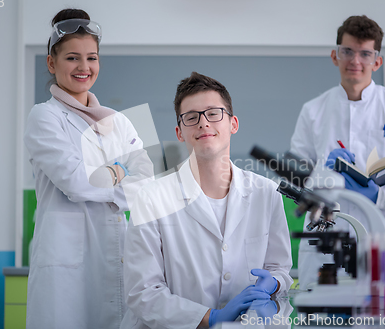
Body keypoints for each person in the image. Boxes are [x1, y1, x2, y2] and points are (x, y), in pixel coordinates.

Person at [121, 72, 293, 328]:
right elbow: (142, 293)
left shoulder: (266, 193)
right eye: (191, 117)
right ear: (180, 132)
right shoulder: (151, 199)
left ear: (233, 124)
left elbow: (280, 269)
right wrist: (209, 317)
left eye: (213, 113)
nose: (203, 123)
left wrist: (274, 283)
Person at [24, 8, 153, 328]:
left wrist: (108, 176)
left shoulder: (119, 120)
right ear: (51, 63)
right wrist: (123, 169)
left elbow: (149, 179)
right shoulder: (44, 116)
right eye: (72, 58)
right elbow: (76, 182)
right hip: (65, 262)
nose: (84, 67)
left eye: (92, 58)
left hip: (117, 255)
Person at [290, 15, 385, 290]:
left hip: (380, 234)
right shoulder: (313, 110)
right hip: (327, 234)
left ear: (377, 61)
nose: (356, 61)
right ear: (335, 56)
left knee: (378, 311)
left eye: (365, 53)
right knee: (322, 313)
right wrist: (324, 173)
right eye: (348, 51)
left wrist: (380, 196)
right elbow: (298, 174)